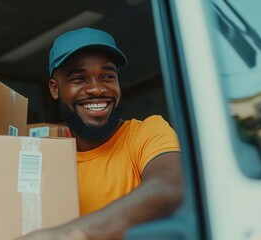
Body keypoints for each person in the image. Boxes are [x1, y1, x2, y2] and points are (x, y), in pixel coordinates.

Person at [16, 27, 183, 240]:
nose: (96, 89)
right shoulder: (43, 155)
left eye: (107, 76)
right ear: (55, 89)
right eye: (79, 79)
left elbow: (171, 187)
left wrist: (63, 236)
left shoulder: (147, 132)